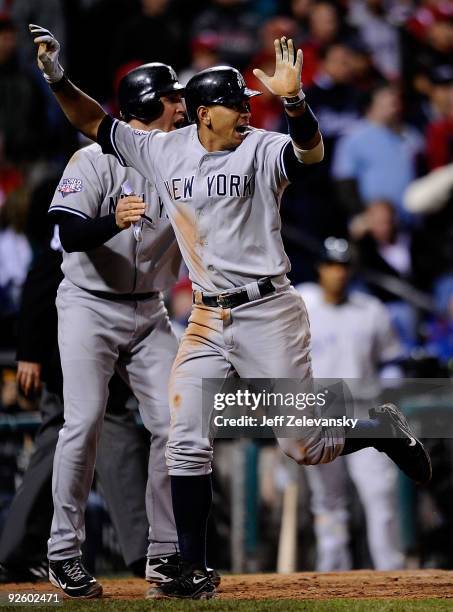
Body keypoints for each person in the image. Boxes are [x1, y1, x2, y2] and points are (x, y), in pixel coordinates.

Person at [29, 25, 431, 600]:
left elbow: (310, 153)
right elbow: (94, 122)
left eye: (247, 102)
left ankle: (378, 428)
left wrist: (294, 102)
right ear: (200, 113)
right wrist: (58, 78)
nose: (246, 109)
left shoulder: (262, 147)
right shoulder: (164, 148)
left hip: (268, 311)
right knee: (184, 438)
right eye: (235, 102)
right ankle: (187, 566)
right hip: (206, 320)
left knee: (305, 447)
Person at [22, 57, 192, 600]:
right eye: (172, 97)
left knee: (175, 426)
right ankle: (63, 553)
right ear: (145, 105)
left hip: (150, 311)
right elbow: (69, 235)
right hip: (88, 305)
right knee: (84, 422)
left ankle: (165, 556)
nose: (182, 105)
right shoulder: (92, 159)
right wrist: (110, 221)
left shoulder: (182, 160)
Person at [0, 219, 150, 583]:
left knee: (57, 441)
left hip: (83, 348)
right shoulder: (83, 210)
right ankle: (146, 552)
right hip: (72, 352)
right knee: (112, 434)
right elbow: (43, 275)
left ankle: (16, 552)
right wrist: (30, 352)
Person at [297, 238, 404, 571]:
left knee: (379, 494)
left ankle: (392, 570)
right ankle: (333, 574)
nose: (338, 273)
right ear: (321, 268)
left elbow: (390, 361)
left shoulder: (370, 309)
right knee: (328, 500)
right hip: (320, 412)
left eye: (343, 266)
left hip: (364, 412)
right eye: (332, 265)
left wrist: (391, 384)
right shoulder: (302, 305)